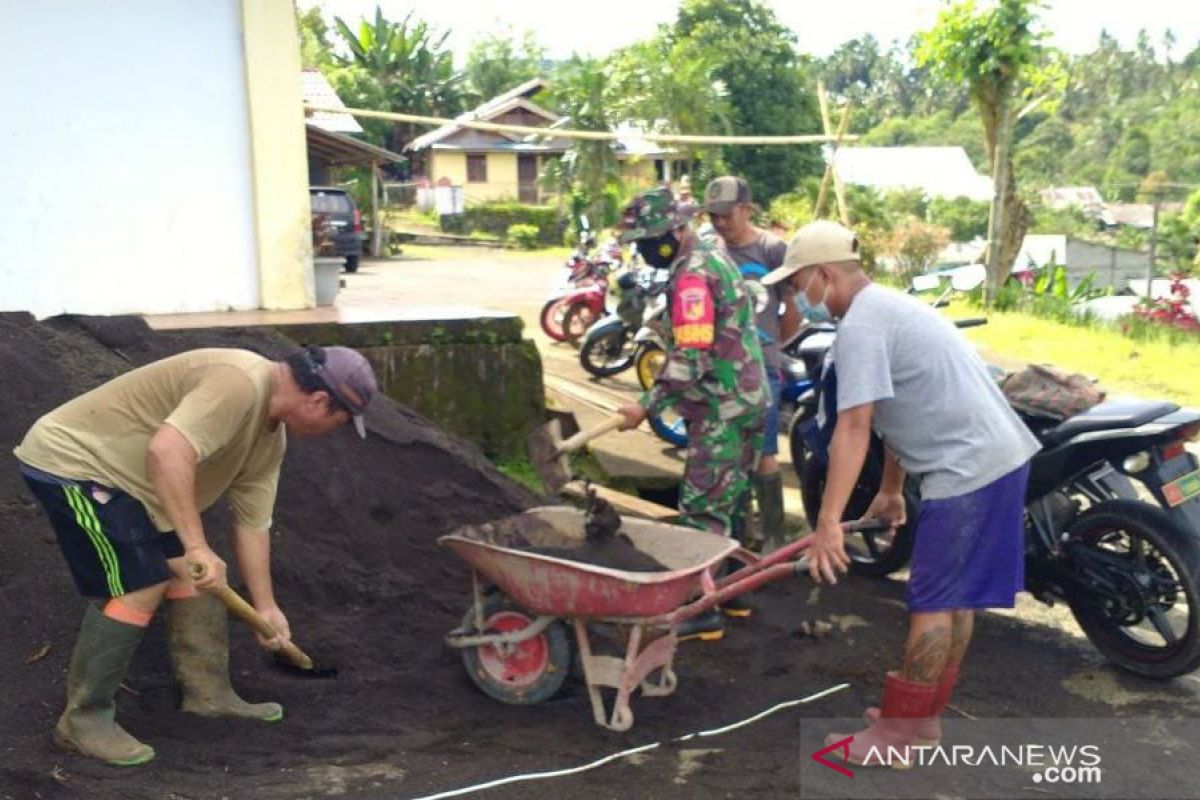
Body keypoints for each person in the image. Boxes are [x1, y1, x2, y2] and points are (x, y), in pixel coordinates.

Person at [13, 345, 378, 767]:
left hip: (135, 488)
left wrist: (266, 606)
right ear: (318, 400)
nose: (337, 430)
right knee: (143, 582)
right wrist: (197, 545)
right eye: (341, 420)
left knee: (192, 572)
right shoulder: (239, 382)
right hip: (76, 462)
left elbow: (253, 524)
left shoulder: (268, 441)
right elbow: (167, 451)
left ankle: (208, 695)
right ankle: (83, 719)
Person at [761, 221, 1040, 766]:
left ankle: (895, 740)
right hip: (997, 460)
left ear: (822, 275)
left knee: (933, 602)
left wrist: (826, 523)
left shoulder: (863, 326)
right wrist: (891, 490)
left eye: (797, 287)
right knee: (955, 601)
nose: (797, 299)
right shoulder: (890, 307)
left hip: (967, 471)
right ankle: (921, 720)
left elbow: (856, 426)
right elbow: (895, 412)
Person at [614, 186, 769, 641]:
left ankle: (699, 610)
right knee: (735, 499)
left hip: (722, 406)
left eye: (648, 241)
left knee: (703, 508)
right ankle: (731, 590)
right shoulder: (713, 256)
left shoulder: (692, 277)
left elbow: (691, 355)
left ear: (672, 232)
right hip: (747, 399)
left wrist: (645, 406)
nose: (644, 251)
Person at [703, 175, 803, 554]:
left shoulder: (773, 250)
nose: (721, 223)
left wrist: (771, 348)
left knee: (764, 452)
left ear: (747, 209)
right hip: (720, 368)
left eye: (727, 214)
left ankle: (774, 538)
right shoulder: (710, 248)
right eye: (714, 216)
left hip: (761, 368)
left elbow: (792, 311)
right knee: (729, 451)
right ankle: (737, 536)